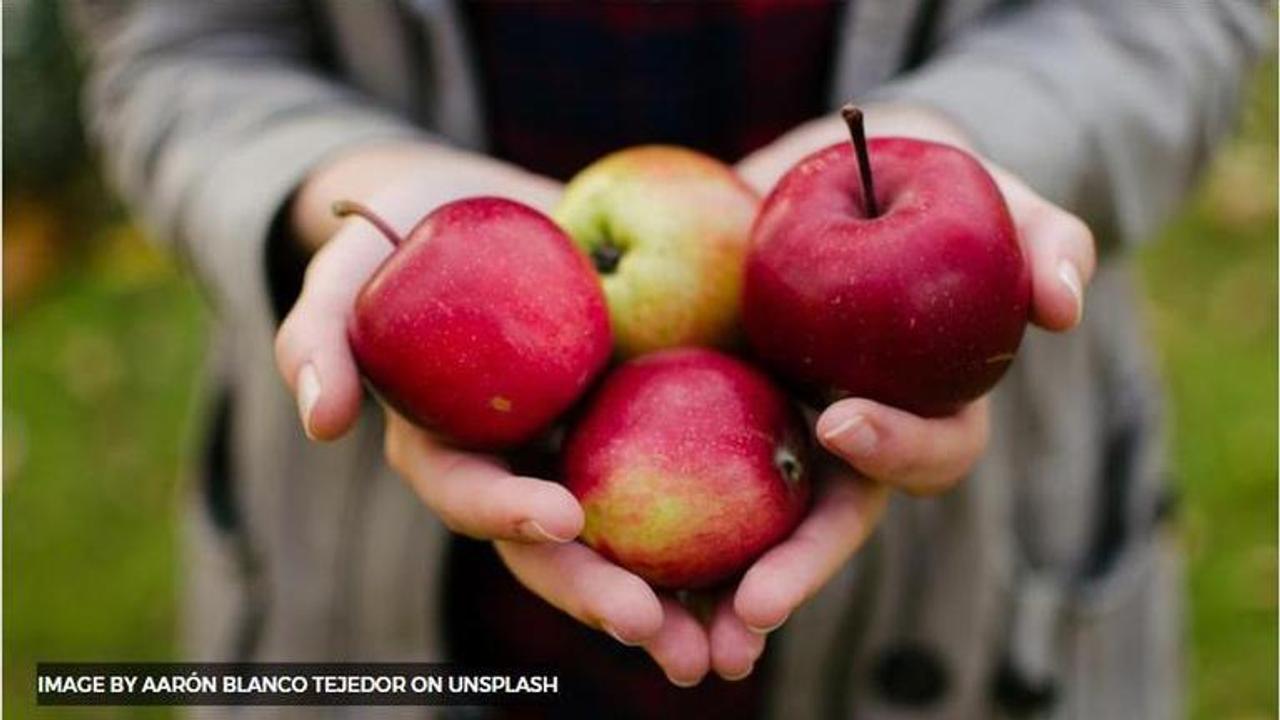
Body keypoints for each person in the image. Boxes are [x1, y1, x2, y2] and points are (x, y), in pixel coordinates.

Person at [73, 1, 1268, 718]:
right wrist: (345, 187)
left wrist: (967, 141)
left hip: (974, 582)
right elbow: (176, 43)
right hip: (369, 594)